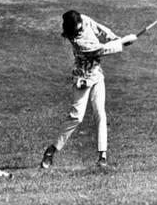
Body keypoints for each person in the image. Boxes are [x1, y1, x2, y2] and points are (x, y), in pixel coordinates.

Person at [40, 10, 137, 169]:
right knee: (76, 117)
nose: (81, 29)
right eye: (77, 29)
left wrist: (116, 38)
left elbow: (99, 29)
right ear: (71, 30)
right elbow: (101, 50)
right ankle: (51, 150)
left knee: (100, 112)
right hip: (83, 78)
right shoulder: (79, 43)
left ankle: (102, 156)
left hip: (96, 74)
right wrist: (123, 43)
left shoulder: (83, 19)